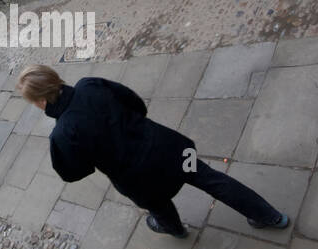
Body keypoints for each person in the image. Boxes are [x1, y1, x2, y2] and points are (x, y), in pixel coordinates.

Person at [17, 64, 289, 237]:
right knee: (211, 179)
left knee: (159, 206)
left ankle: (175, 230)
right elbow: (135, 101)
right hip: (168, 147)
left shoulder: (62, 133)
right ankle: (270, 216)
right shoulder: (91, 85)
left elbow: (75, 172)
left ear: (40, 102)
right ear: (54, 77)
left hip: (138, 180)